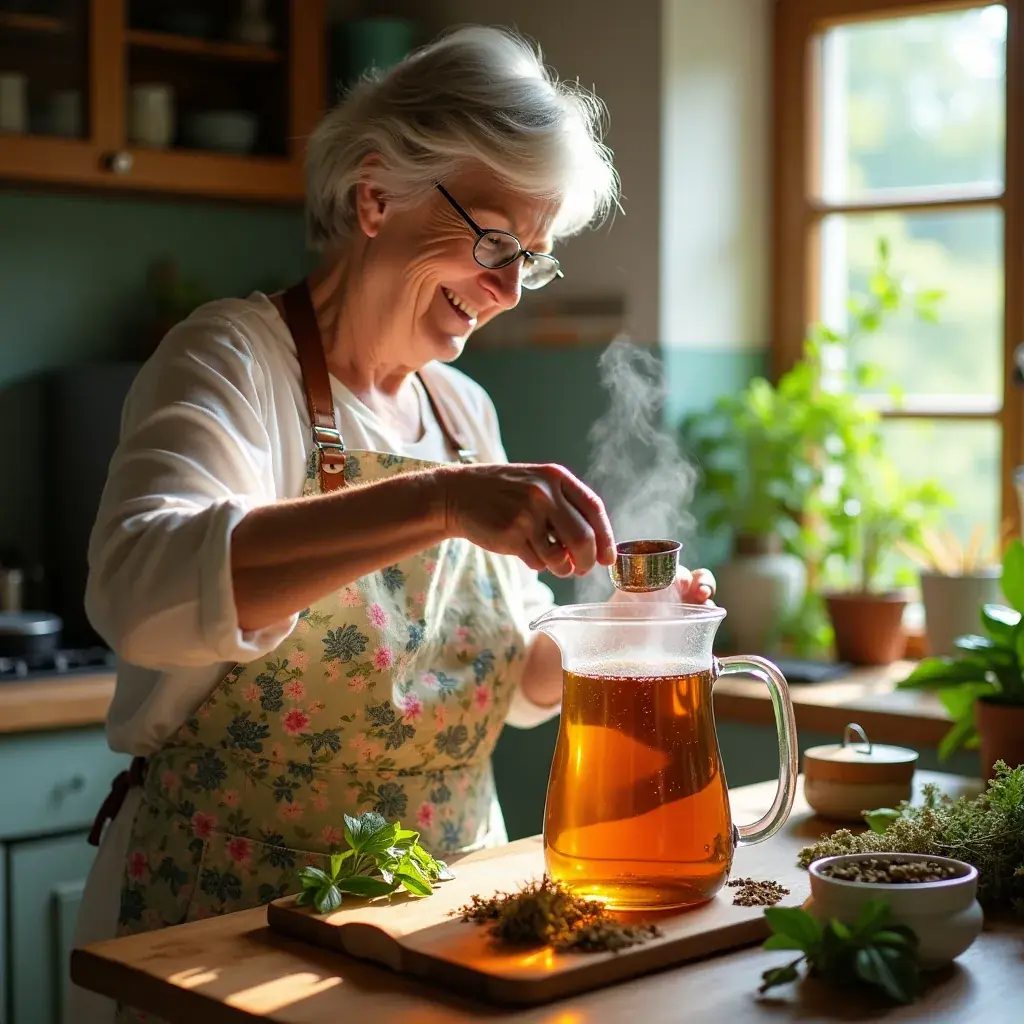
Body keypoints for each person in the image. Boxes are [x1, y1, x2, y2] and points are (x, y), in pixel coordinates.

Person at [68, 25, 716, 1023]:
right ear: (375, 196)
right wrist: (441, 501)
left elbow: (513, 677)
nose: (504, 292)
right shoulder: (233, 361)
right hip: (232, 925)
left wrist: (622, 636)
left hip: (443, 921)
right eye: (495, 243)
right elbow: (142, 593)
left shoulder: (464, 415)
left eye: (530, 262)